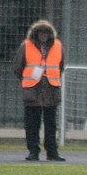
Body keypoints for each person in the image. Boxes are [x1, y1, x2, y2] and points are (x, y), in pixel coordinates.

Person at [14, 19, 65, 162]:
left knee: (51, 123)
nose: (43, 35)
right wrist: (27, 81)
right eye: (41, 32)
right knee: (32, 123)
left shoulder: (58, 46)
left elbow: (60, 66)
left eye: (46, 33)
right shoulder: (26, 45)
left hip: (51, 89)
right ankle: (33, 151)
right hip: (32, 90)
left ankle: (52, 152)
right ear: (36, 34)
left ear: (50, 34)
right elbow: (18, 67)